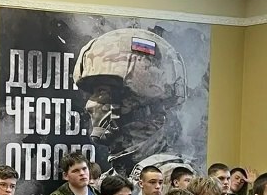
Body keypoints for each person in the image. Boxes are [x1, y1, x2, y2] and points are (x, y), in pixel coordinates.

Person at [72, 26, 195, 179]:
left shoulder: (173, 178)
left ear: (132, 100)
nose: (89, 106)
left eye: (102, 92)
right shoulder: (113, 178)